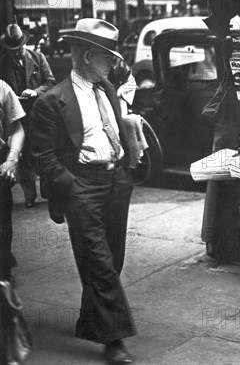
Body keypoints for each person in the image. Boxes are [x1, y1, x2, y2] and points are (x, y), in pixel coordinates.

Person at [30, 19, 136, 365]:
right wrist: (70, 186)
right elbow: (43, 157)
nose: (114, 63)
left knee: (112, 258)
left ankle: (90, 321)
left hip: (116, 181)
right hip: (82, 186)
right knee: (98, 261)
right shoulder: (51, 101)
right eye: (109, 56)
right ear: (89, 56)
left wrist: (126, 168)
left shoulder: (105, 88)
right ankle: (114, 338)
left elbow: (116, 129)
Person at [0, 24, 56, 208]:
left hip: (38, 115)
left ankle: (47, 191)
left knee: (43, 152)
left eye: (19, 49)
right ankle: (29, 195)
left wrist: (35, 92)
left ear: (25, 44)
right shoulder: (3, 63)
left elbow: (51, 82)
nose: (17, 53)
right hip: (16, 116)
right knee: (22, 157)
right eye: (12, 51)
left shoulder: (38, 58)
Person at [0, 79, 25, 284]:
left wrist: (12, 159)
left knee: (2, 227)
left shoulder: (1, 88)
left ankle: (3, 276)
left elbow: (17, 129)